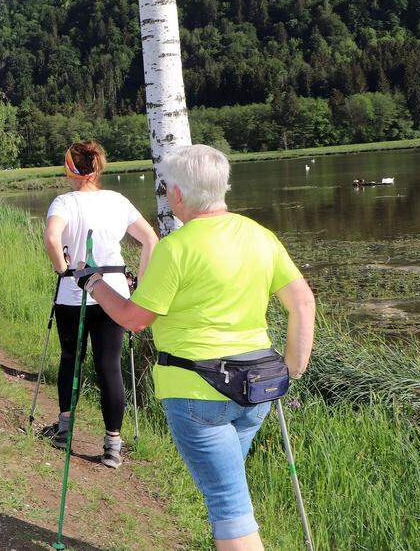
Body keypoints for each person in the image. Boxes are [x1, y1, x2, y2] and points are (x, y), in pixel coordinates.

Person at [82, 144, 315, 550]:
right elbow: (303, 303)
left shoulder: (176, 249)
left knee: (229, 504)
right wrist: (292, 371)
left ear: (176, 194)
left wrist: (94, 284)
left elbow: (135, 319)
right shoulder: (261, 236)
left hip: (196, 394)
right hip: (257, 388)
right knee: (228, 492)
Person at [42, 141, 159, 469]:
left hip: (73, 293)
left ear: (70, 169)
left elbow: (52, 239)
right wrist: (140, 286)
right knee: (109, 367)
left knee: (71, 360)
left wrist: (62, 269)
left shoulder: (64, 202)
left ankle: (64, 429)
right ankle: (112, 446)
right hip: (115, 294)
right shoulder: (117, 201)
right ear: (97, 169)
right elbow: (151, 239)